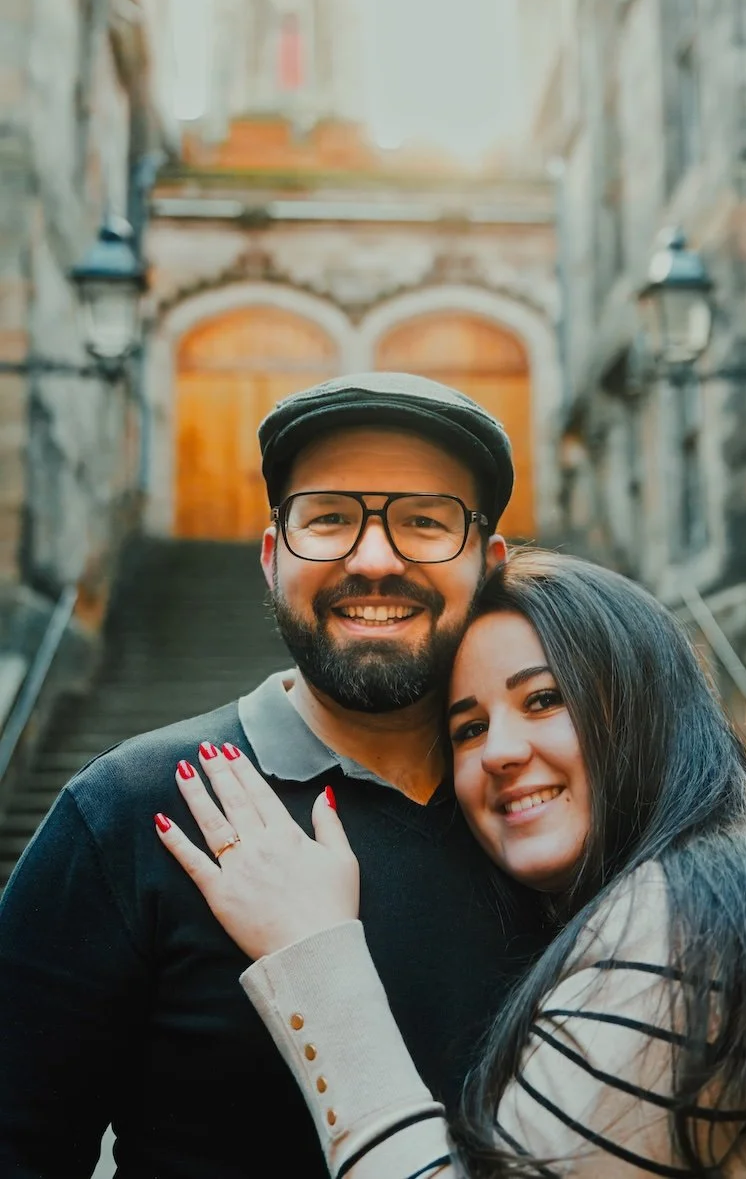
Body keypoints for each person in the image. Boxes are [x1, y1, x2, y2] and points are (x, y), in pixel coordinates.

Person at [0, 373, 549, 1179]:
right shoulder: (129, 807)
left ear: (488, 561)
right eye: (328, 518)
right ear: (271, 557)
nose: (373, 557)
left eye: (425, 522)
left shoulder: (549, 811)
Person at [160, 550, 746, 1178]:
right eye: (469, 728)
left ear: (645, 704)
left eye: (545, 698)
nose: (498, 751)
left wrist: (310, 951)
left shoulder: (702, 911)